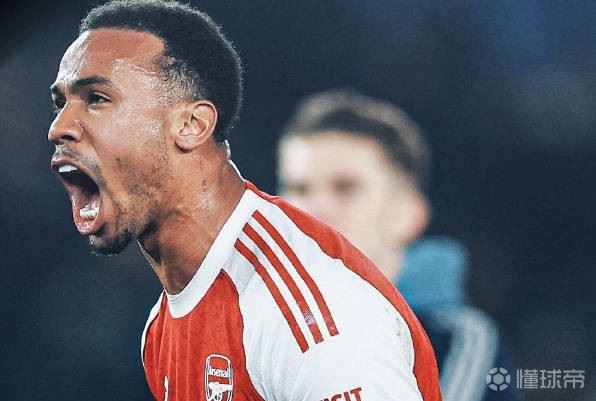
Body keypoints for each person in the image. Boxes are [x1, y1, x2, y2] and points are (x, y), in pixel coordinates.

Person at [47, 1, 441, 400]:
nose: (59, 127)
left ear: (191, 125)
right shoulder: (162, 327)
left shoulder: (307, 314)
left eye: (96, 98)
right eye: (61, 103)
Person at [277, 90, 520, 401]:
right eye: (298, 188)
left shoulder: (458, 343)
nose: (314, 208)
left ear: (408, 215)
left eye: (346, 188)